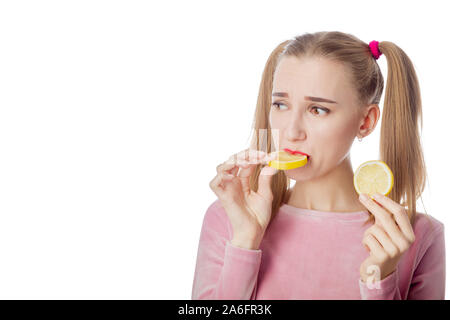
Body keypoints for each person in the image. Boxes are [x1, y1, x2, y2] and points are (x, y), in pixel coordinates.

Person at [191, 31, 445, 299]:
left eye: (318, 109)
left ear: (366, 121)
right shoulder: (230, 217)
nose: (291, 131)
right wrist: (244, 242)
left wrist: (377, 281)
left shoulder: (415, 236)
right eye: (280, 104)